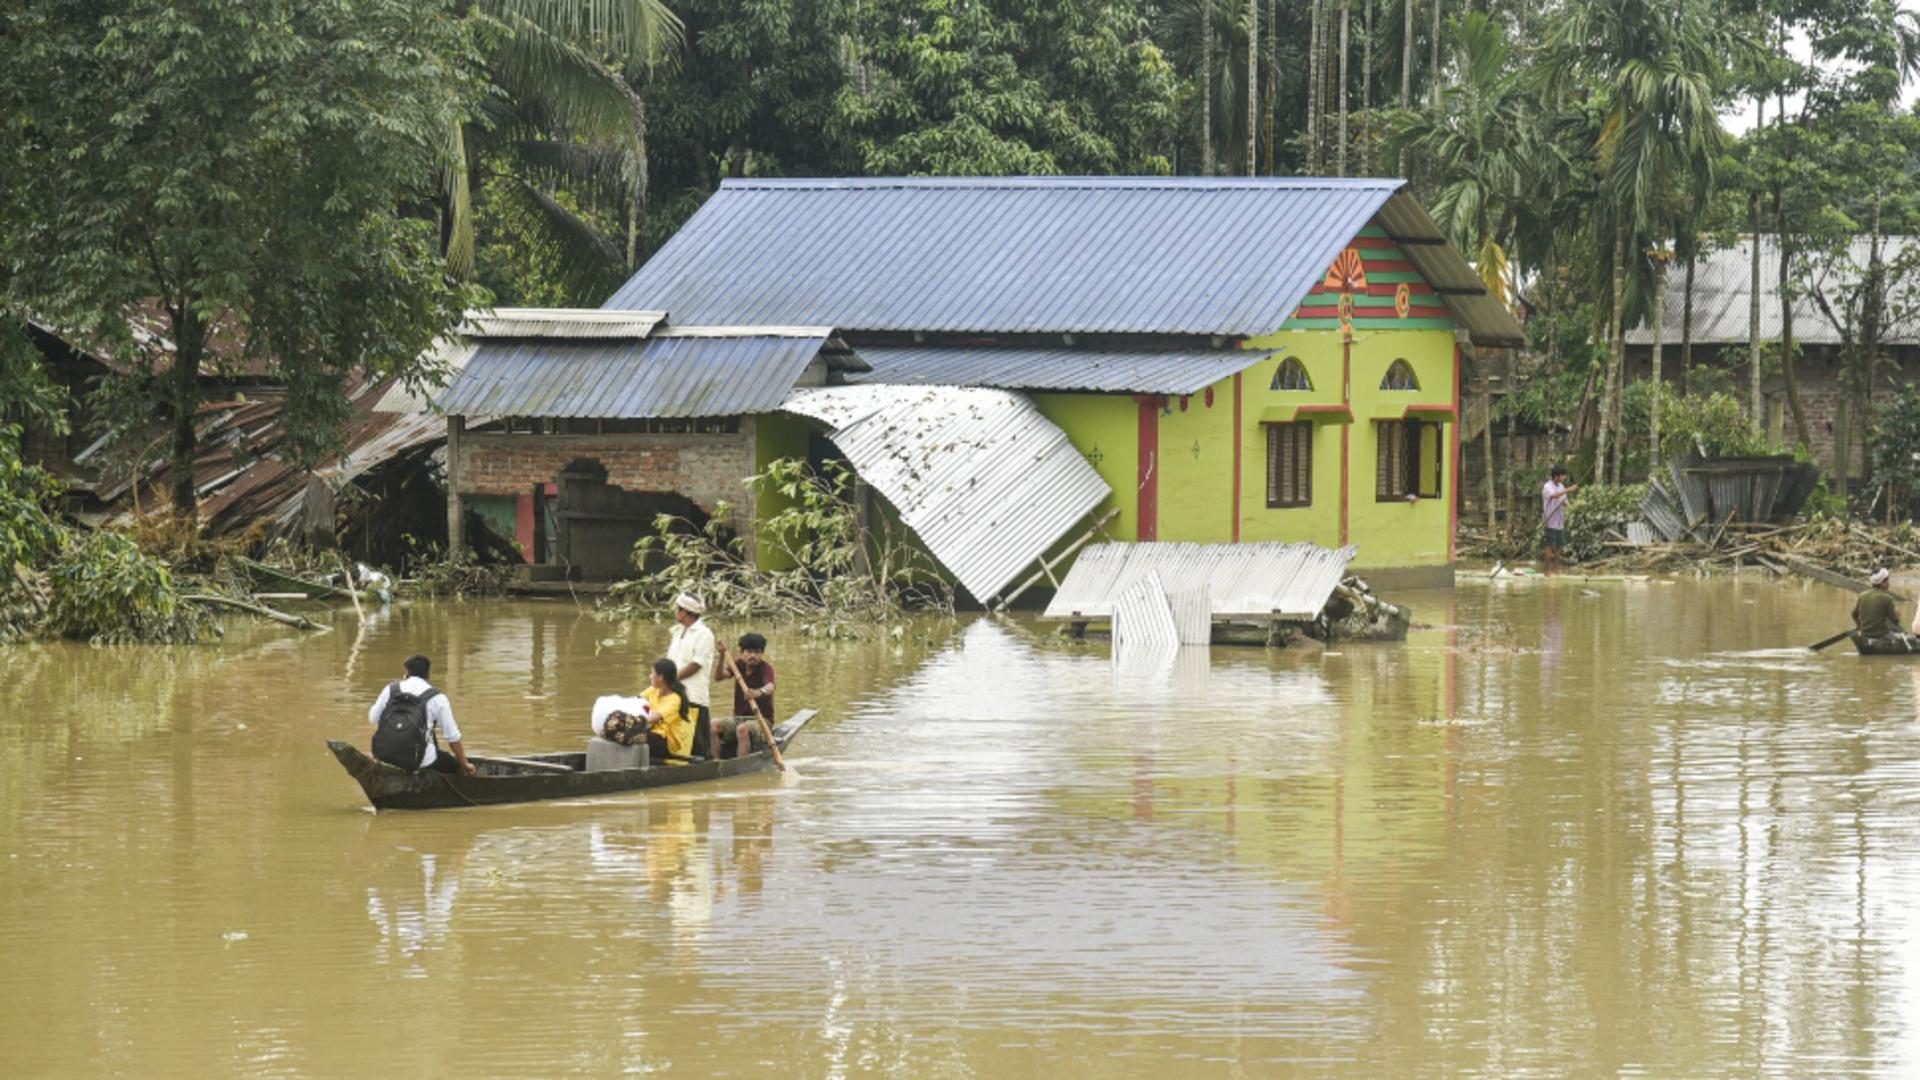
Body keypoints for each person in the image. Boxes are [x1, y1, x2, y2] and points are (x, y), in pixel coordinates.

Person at [367, 654, 474, 775]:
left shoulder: (390, 689)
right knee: (453, 765)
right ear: (428, 675)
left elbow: (373, 719)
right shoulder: (437, 697)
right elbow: (452, 737)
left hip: (383, 754)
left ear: (406, 673)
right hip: (421, 760)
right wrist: (464, 764)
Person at [713, 632, 776, 759]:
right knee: (712, 725)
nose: (753, 655)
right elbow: (718, 677)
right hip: (739, 718)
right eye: (749, 651)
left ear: (762, 654)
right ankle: (715, 762)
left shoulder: (765, 668)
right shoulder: (738, 665)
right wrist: (721, 656)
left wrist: (759, 692)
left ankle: (741, 765)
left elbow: (770, 687)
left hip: (762, 720)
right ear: (742, 652)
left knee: (742, 729)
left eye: (757, 652)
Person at [667, 592, 716, 752]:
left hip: (694, 694)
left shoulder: (704, 634)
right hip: (674, 694)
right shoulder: (678, 632)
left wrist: (671, 679)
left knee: (699, 743)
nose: (676, 612)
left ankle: (704, 766)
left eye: (678, 609)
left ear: (685, 612)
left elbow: (696, 664)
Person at [640, 658, 694, 762]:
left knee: (637, 736)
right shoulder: (653, 689)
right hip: (653, 733)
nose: (650, 676)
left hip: (667, 741)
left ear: (660, 677)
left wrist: (635, 721)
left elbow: (654, 718)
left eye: (652, 673)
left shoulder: (675, 699)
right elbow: (636, 700)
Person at [1541, 466, 1578, 576]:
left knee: (1559, 547)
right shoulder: (1547, 486)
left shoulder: (1561, 486)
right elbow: (1553, 495)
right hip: (1550, 521)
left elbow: (1564, 501)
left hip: (1560, 522)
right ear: (1556, 476)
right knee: (1550, 546)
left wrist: (1572, 508)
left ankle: (1557, 571)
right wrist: (1568, 489)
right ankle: (1546, 572)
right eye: (1563, 475)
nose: (1564, 478)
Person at [1854, 568, 1902, 640]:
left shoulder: (1862, 595)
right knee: (1901, 638)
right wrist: (1897, 614)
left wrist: (1859, 627)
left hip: (1864, 634)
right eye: (1887, 580)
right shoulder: (1887, 598)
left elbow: (1854, 615)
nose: (1889, 583)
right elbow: (1895, 621)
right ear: (1882, 583)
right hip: (1882, 634)